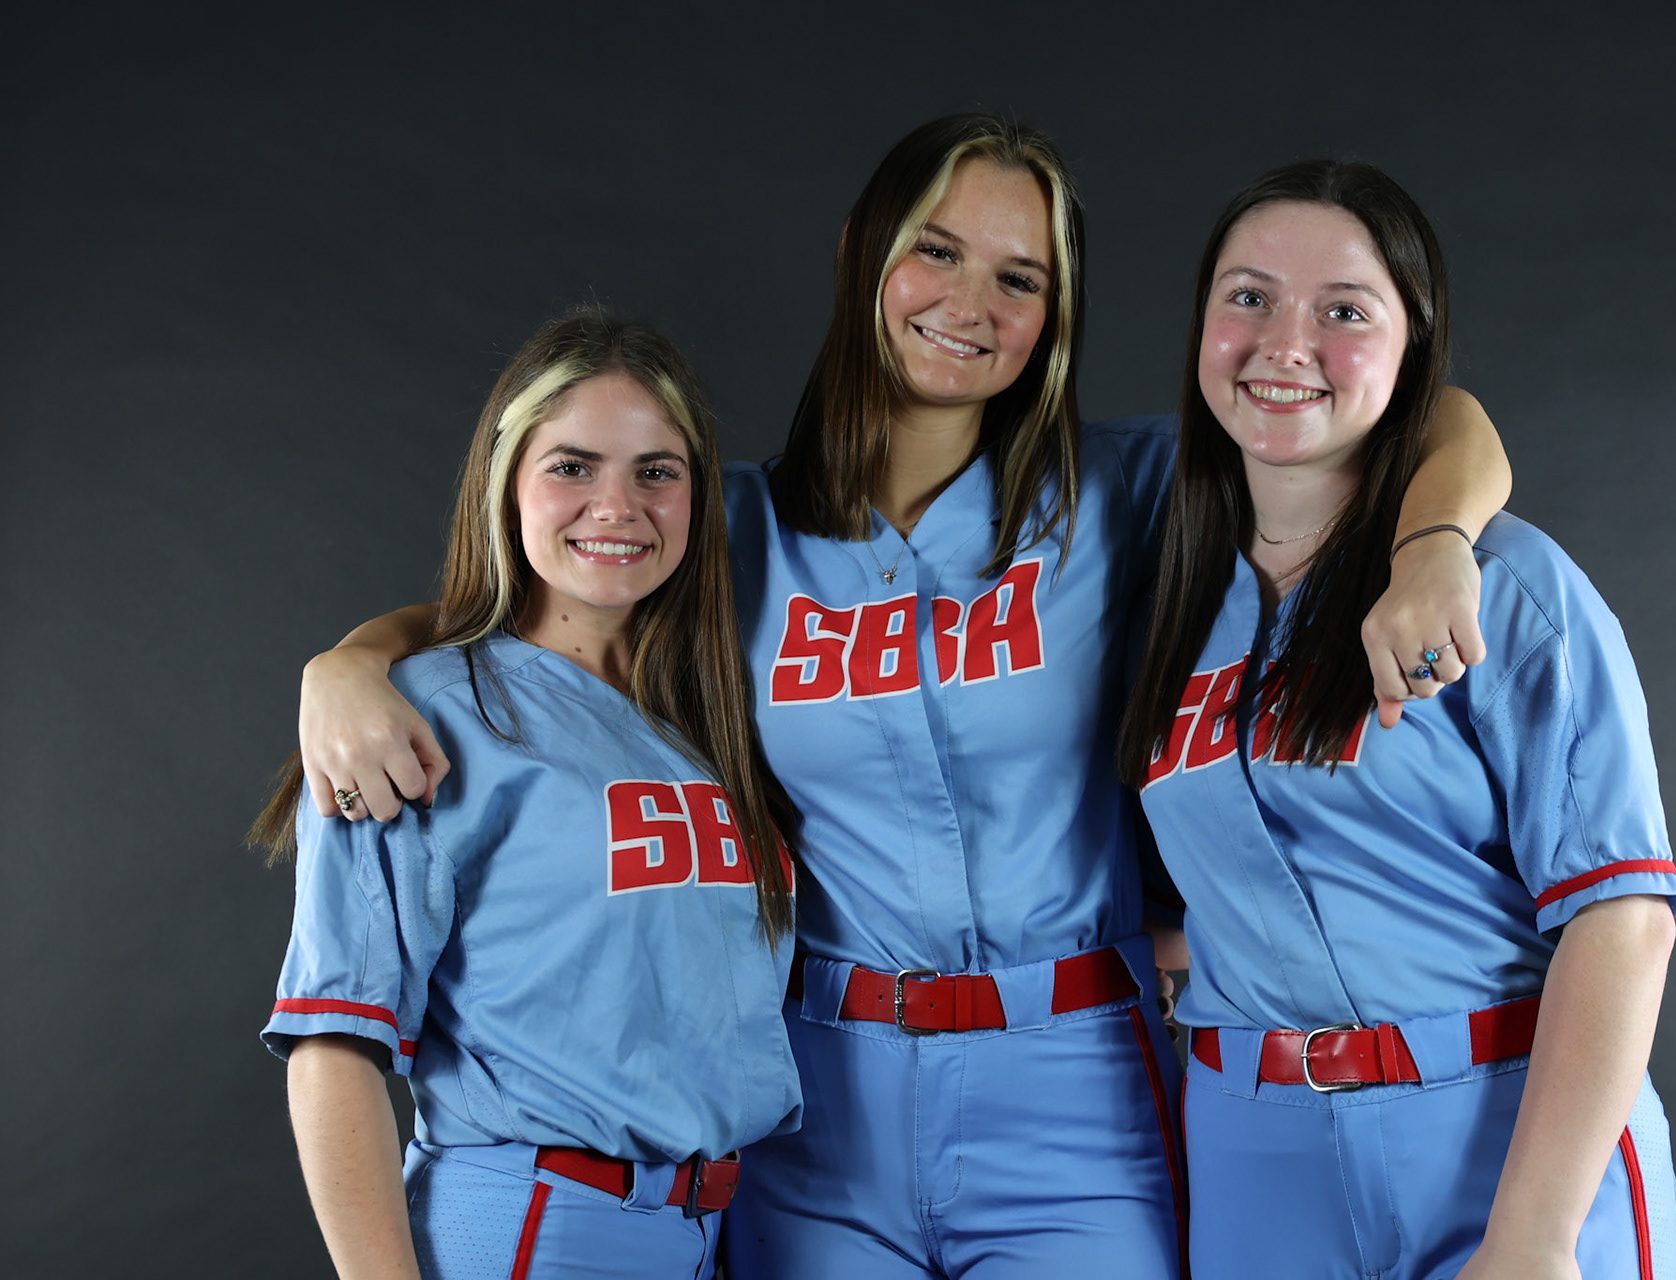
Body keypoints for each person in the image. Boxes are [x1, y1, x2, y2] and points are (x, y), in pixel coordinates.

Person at [292, 115, 1513, 1279]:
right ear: (862, 254)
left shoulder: (1127, 491)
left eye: (1020, 277)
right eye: (935, 250)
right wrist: (350, 661)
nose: (971, 304)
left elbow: (1428, 414)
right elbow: (528, 605)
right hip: (827, 1095)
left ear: (1057, 313)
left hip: (1075, 1077)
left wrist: (1438, 540)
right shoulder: (728, 526)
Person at [1119, 160, 1676, 1279]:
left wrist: (1532, 1237)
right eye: (1248, 296)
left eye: (1344, 311)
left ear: (1412, 349)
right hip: (1257, 1158)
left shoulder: (1503, 582)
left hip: (1500, 1136)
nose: (1286, 343)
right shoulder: (1157, 592)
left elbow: (1624, 918)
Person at [256, 311, 803, 1280]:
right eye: (572, 466)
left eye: (656, 471)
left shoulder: (709, 710)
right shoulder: (413, 713)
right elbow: (333, 1044)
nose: (617, 504)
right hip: (538, 1224)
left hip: (714, 1223)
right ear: (505, 483)